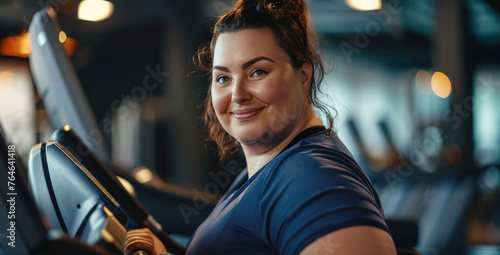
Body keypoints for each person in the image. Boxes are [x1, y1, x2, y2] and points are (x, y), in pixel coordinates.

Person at [125, 0, 397, 254]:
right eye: (223, 78)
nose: (237, 94)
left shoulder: (311, 176)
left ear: (303, 77)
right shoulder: (267, 169)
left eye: (258, 72)